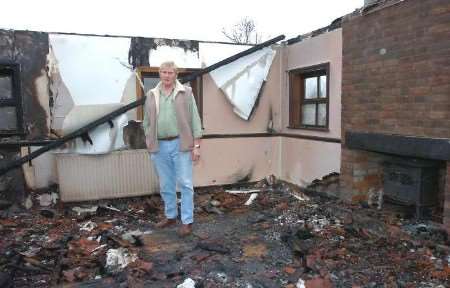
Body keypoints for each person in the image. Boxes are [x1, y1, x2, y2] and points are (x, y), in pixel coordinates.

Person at [142, 61, 202, 237]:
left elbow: (195, 119)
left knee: (185, 183)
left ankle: (187, 221)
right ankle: (170, 216)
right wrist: (148, 137)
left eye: (170, 72)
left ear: (176, 75)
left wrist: (196, 146)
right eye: (163, 72)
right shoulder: (152, 95)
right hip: (159, 146)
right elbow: (146, 121)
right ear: (159, 74)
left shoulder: (186, 92)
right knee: (166, 184)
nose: (167, 75)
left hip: (181, 144)